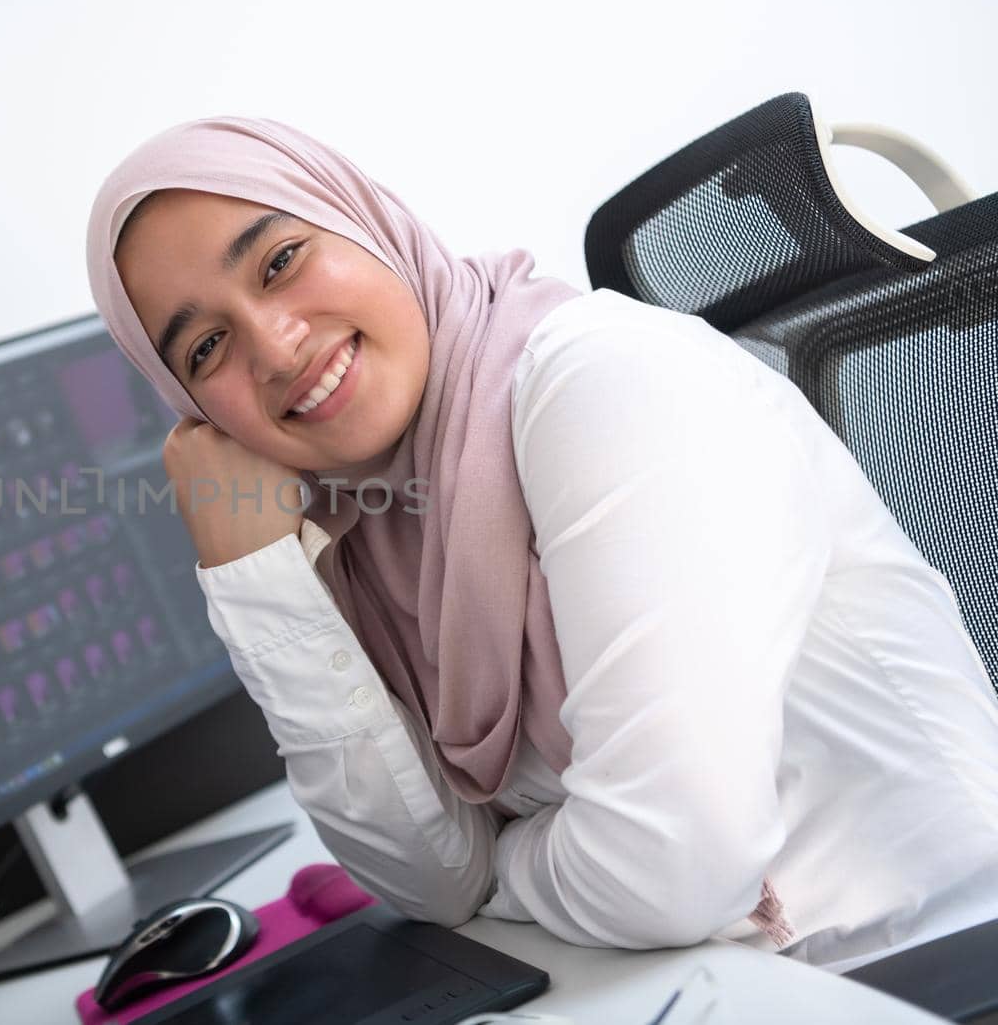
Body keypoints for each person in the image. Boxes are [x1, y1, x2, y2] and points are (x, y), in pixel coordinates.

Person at [83, 117, 998, 973]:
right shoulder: (365, 534)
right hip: (729, 981)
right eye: (204, 349)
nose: (275, 348)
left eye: (282, 259)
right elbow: (432, 880)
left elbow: (671, 868)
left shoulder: (605, 386)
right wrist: (256, 579)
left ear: (363, 220)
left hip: (929, 965)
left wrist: (502, 869)